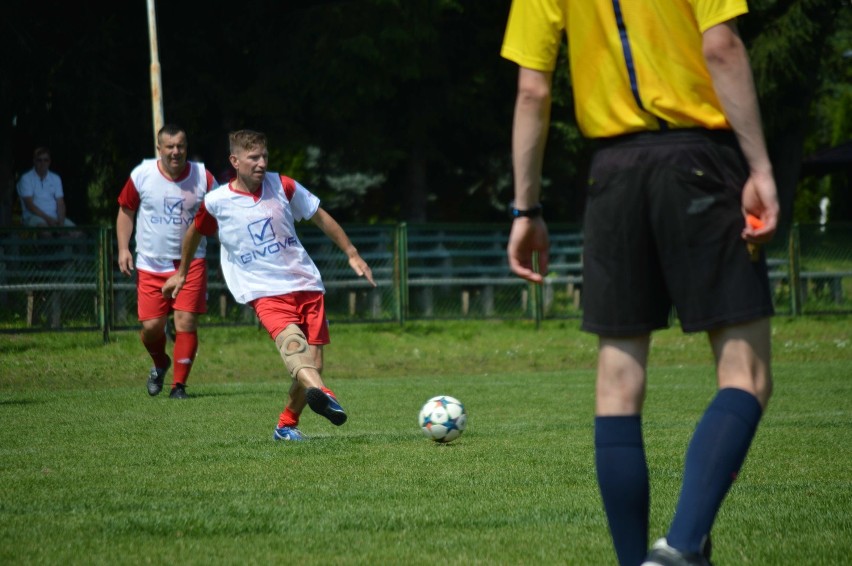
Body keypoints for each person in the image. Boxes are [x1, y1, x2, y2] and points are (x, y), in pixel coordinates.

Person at [502, 2, 779, 565]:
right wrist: (762, 169)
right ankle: (680, 546)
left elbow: (533, 90)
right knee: (744, 374)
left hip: (613, 174)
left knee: (617, 385)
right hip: (701, 159)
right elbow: (720, 45)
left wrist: (524, 209)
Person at [162, 129, 375, 440]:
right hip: (264, 290)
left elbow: (319, 216)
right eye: (253, 158)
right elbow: (195, 232)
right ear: (235, 161)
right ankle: (322, 393)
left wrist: (352, 253)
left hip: (306, 283)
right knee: (293, 345)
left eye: (264, 156)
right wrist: (182, 272)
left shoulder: (283, 185)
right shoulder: (218, 202)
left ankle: (287, 424)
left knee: (313, 363)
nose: (261, 163)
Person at [116, 124, 219, 399]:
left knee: (186, 322)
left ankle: (178, 387)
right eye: (170, 146)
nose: (176, 152)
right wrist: (123, 248)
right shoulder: (142, 175)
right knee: (151, 328)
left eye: (181, 146)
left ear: (187, 147)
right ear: (159, 148)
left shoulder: (203, 177)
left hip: (191, 261)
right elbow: (126, 210)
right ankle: (160, 362)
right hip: (151, 263)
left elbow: (223, 212)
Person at [17, 147, 76, 228]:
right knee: (45, 231)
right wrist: (48, 220)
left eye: (46, 160)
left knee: (77, 233)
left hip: (54, 217)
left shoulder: (56, 178)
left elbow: (60, 203)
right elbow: (29, 205)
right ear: (34, 161)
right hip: (33, 217)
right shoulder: (26, 178)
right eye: (39, 160)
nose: (43, 163)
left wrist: (61, 223)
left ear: (49, 162)